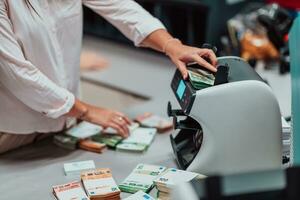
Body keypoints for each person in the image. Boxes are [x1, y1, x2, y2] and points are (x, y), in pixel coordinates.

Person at [0, 0, 217, 154]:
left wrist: (172, 45)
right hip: (14, 131)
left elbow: (123, 9)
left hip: (66, 122)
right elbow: (18, 76)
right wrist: (87, 111)